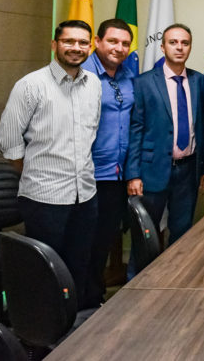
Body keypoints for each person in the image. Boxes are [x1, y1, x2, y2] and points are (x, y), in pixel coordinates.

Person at [0, 20, 101, 301]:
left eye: (82, 42)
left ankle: (74, 321)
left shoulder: (94, 84)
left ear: (90, 46)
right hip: (44, 197)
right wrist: (33, 172)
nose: (76, 48)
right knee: (44, 270)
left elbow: (91, 133)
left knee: (78, 265)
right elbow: (8, 140)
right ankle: (43, 326)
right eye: (69, 41)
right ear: (55, 44)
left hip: (85, 194)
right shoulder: (31, 85)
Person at [126, 24, 204, 275]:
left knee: (182, 231)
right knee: (145, 232)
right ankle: (136, 284)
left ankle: (175, 280)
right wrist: (133, 174)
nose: (179, 47)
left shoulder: (199, 81)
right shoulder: (143, 83)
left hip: (188, 169)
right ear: (163, 47)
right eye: (173, 42)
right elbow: (135, 130)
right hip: (151, 170)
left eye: (185, 43)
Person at [80, 18, 135, 308]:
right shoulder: (81, 75)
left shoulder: (128, 75)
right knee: (82, 244)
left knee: (102, 240)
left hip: (117, 174)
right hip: (86, 175)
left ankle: (94, 299)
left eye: (125, 43)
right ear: (97, 42)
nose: (119, 48)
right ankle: (77, 305)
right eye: (112, 41)